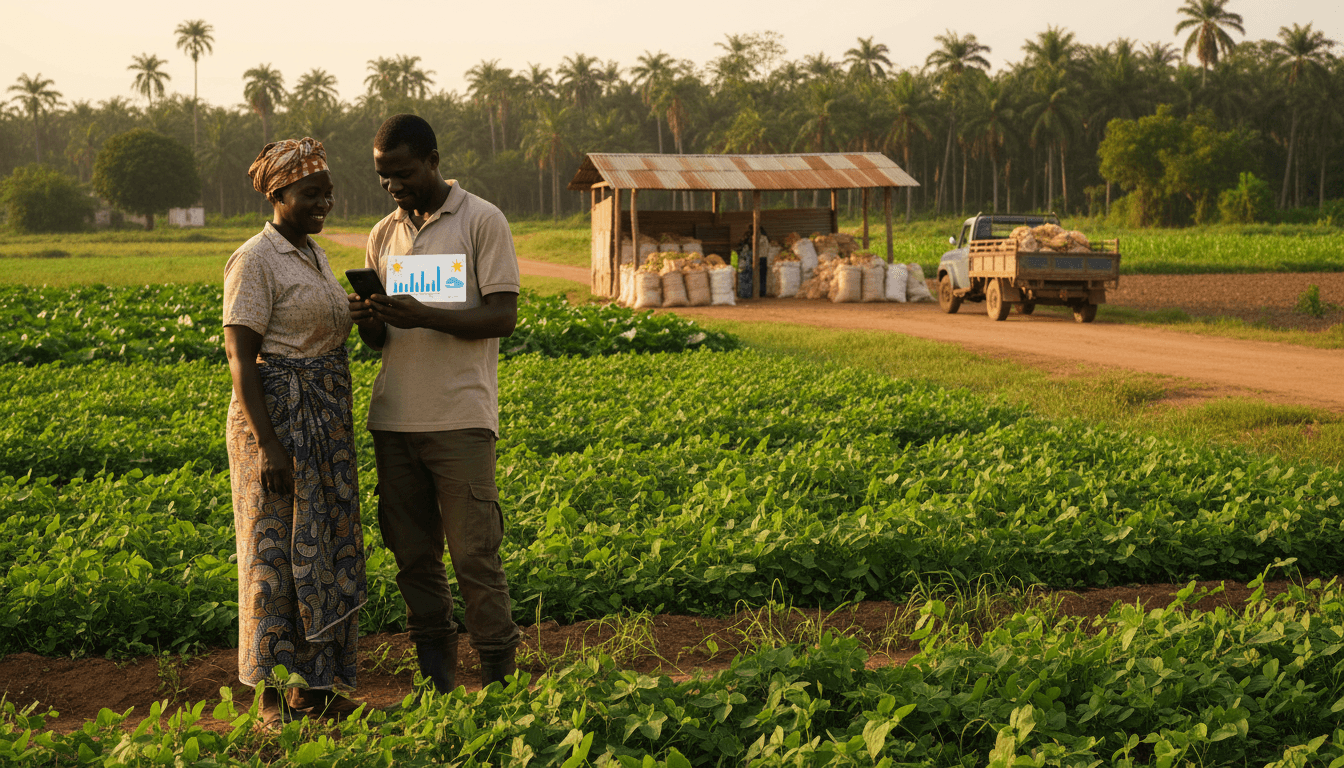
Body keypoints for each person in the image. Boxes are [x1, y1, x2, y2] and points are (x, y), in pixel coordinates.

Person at [347, 114, 521, 695]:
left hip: (460, 419)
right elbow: (382, 343)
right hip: (394, 420)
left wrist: (424, 313)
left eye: (403, 173)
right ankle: (439, 686)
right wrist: (373, 321)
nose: (393, 186)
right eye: (383, 177)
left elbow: (502, 316)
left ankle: (497, 679)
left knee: (475, 556)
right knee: (413, 559)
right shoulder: (381, 235)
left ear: (434, 160)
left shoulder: (481, 220)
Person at [224, 138, 367, 728]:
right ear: (278, 193)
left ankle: (317, 686)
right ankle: (272, 696)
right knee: (273, 555)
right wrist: (270, 446)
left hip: (325, 424)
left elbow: (309, 326)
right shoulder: (254, 257)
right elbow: (241, 356)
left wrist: (350, 314)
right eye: (311, 192)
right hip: (278, 423)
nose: (323, 202)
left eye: (327, 192)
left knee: (327, 550)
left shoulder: (312, 254)